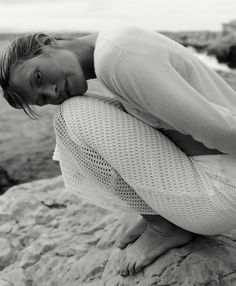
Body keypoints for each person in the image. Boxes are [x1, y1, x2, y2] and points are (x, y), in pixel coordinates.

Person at [1, 25, 236, 276]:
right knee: (84, 111)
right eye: (43, 100)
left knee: (71, 115)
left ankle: (164, 228)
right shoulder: (115, 41)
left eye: (37, 77)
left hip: (223, 192)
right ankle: (160, 218)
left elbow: (222, 130)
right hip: (220, 175)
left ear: (46, 42)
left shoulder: (113, 60)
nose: (52, 92)